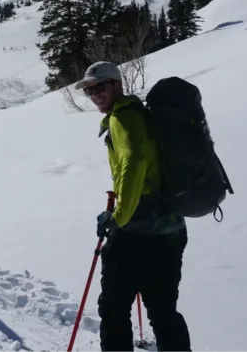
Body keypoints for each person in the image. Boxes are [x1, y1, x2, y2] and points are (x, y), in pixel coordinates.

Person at [74, 62, 191, 352]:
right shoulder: (143, 115)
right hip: (170, 227)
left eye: (100, 87)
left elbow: (134, 161)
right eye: (89, 90)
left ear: (117, 84)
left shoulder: (122, 118)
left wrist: (118, 216)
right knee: (164, 310)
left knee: (113, 308)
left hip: (136, 231)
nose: (95, 95)